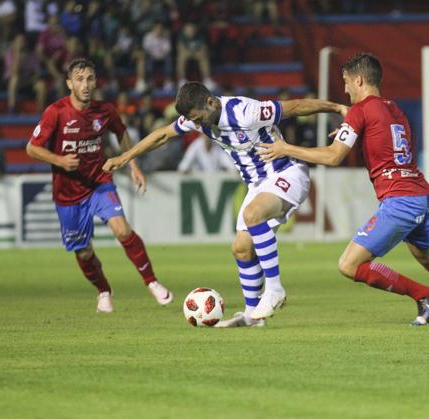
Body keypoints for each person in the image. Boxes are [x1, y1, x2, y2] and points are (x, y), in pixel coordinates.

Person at [258, 53, 429, 325]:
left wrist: (285, 149)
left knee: (349, 265)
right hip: (420, 193)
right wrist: (352, 133)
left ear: (358, 80)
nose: (344, 89)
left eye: (346, 82)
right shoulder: (394, 108)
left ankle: (424, 296)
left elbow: (333, 157)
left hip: (401, 199)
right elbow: (384, 144)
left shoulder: (361, 110)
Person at [103, 82, 347, 326]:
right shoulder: (198, 118)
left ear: (211, 103)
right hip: (257, 184)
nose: (197, 125)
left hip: (286, 173)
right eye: (193, 121)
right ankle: (252, 315)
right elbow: (163, 135)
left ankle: (274, 290)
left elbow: (295, 106)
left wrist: (336, 107)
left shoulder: (245, 111)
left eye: (198, 119)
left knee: (253, 214)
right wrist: (125, 157)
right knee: (241, 248)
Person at [26, 58, 173, 313]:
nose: (85, 84)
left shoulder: (105, 110)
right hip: (68, 193)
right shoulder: (56, 112)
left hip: (100, 181)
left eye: (90, 79)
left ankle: (153, 283)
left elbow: (121, 132)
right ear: (69, 83)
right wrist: (59, 159)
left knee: (123, 230)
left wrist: (133, 165)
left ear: (95, 81)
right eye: (80, 79)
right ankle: (104, 291)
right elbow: (31, 148)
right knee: (83, 252)